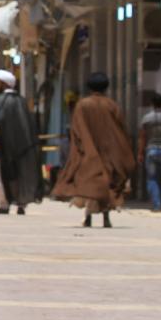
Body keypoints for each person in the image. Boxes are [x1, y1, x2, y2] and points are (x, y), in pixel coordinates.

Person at [52, 72, 135, 228]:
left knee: (91, 185)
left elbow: (76, 131)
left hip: (88, 152)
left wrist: (78, 151)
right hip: (109, 153)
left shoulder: (82, 105)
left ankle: (88, 217)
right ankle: (106, 217)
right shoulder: (112, 105)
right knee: (107, 185)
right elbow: (121, 130)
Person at [0, 69, 40, 215]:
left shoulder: (2, 100)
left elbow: (0, 122)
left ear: (4, 84)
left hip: (6, 147)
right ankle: (21, 204)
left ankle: (5, 205)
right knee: (21, 174)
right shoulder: (21, 100)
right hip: (23, 147)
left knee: (5, 175)